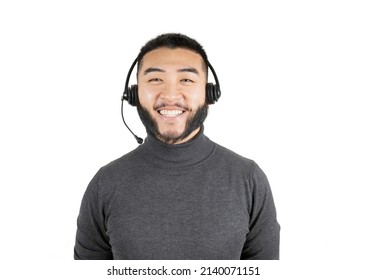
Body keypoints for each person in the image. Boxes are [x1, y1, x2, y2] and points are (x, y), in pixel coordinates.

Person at [74, 33, 280, 260]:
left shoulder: (249, 179)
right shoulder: (105, 183)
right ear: (133, 95)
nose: (170, 95)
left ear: (209, 94)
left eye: (186, 80)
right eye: (155, 80)